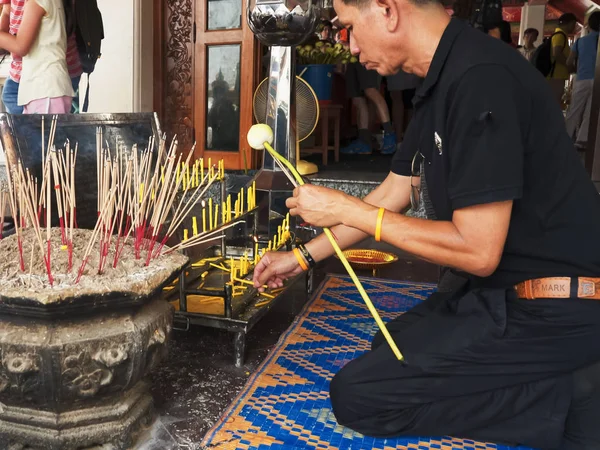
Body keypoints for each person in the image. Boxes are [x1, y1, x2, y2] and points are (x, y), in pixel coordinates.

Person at [252, 0, 600, 447]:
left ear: (387, 10)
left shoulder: (481, 78)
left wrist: (346, 207)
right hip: (499, 291)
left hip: (557, 306)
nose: (352, 46)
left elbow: (477, 250)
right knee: (389, 344)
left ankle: (573, 397)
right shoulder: (441, 78)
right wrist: (302, 258)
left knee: (358, 396)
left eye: (351, 28)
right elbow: (393, 194)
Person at [0, 0, 81, 114]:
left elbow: (20, 47)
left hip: (46, 89)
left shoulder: (38, 2)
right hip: (41, 88)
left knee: (44, 131)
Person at [565, 11, 599, 150]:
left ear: (589, 25)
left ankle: (565, 136)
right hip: (597, 80)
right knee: (590, 111)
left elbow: (569, 61)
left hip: (582, 78)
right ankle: (582, 140)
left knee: (574, 110)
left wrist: (577, 68)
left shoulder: (580, 41)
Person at [549, 13, 578, 106]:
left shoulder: (561, 35)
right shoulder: (560, 35)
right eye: (574, 25)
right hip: (555, 76)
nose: (574, 27)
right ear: (570, 23)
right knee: (554, 104)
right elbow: (556, 53)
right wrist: (568, 65)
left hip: (557, 76)